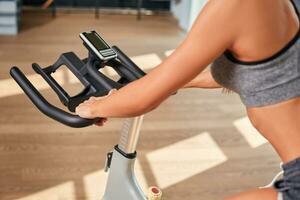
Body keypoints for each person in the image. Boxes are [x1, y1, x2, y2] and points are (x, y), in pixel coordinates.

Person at [75, 0, 300, 199]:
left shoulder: (236, 5)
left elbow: (145, 100)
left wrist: (94, 107)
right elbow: (250, 72)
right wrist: (177, 82)